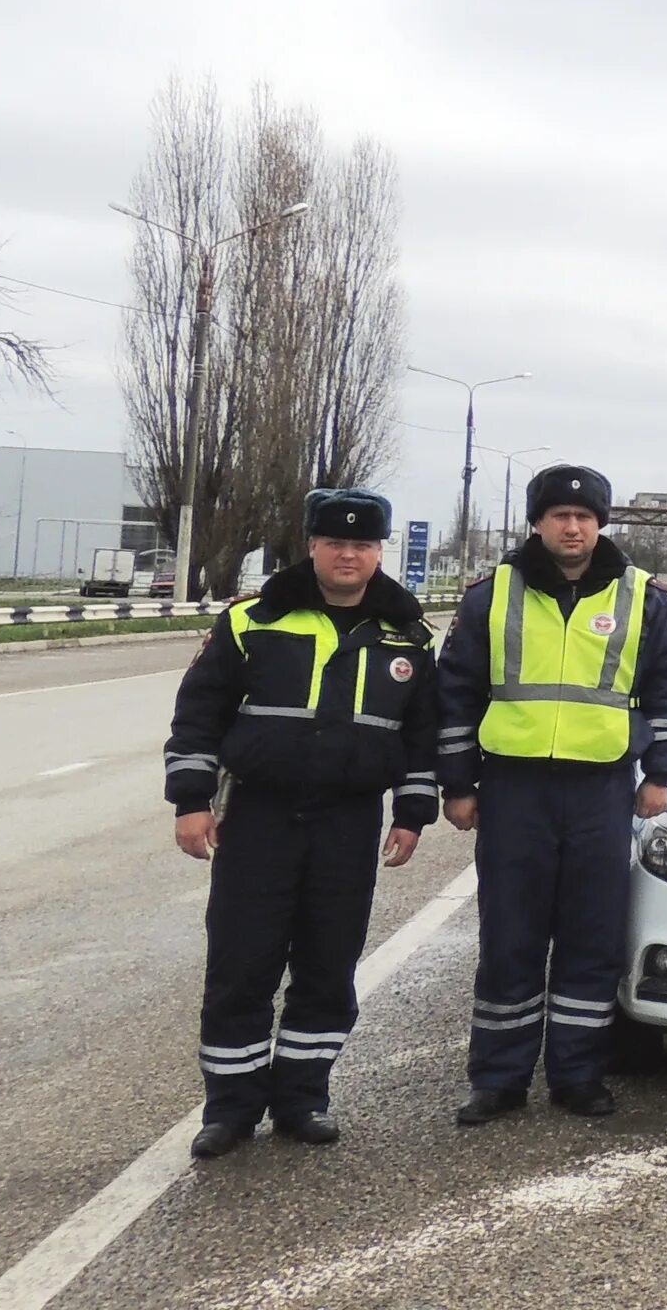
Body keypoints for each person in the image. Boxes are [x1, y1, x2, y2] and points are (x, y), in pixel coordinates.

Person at [163, 488, 441, 1158]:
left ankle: (301, 1099)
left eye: (363, 544)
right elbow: (199, 715)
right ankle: (229, 1108)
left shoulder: (408, 636)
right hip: (259, 817)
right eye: (335, 542)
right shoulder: (250, 622)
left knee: (327, 965)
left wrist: (411, 811)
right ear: (311, 546)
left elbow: (421, 736)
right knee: (242, 964)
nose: (349, 554)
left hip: (346, 823)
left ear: (380, 551)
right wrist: (192, 800)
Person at [438, 464, 667, 1124]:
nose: (571, 526)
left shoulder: (643, 598)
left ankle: (578, 1075)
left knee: (591, 937)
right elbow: (456, 695)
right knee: (510, 938)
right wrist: (458, 785)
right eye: (558, 516)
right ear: (538, 523)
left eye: (583, 517)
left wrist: (662, 774)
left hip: (601, 790)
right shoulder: (490, 595)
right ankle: (498, 1079)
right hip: (513, 788)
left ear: (600, 523)